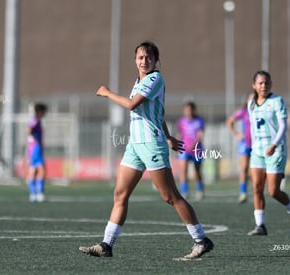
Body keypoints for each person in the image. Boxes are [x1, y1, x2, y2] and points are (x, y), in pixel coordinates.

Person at [79, 41, 214, 259]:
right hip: (135, 145)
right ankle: (106, 245)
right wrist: (169, 136)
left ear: (156, 60)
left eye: (149, 57)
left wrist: (107, 93)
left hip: (151, 144)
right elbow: (156, 115)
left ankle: (202, 240)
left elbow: (132, 105)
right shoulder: (138, 81)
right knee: (120, 194)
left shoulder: (155, 79)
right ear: (135, 60)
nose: (144, 61)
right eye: (141, 57)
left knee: (170, 196)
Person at [247, 70, 290, 236]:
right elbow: (252, 126)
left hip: (275, 150)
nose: (264, 86)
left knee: (273, 191)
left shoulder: (277, 101)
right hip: (257, 151)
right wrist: (253, 146)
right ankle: (260, 226)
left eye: (267, 83)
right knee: (256, 188)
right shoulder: (251, 103)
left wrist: (273, 144)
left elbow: (283, 126)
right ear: (254, 85)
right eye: (261, 83)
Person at [226, 93, 254, 204]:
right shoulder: (243, 112)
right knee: (244, 168)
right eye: (250, 98)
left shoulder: (261, 111)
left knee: (259, 169)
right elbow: (229, 122)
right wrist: (236, 134)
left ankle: (258, 190)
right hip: (245, 144)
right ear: (246, 101)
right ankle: (243, 193)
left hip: (258, 144)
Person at [177, 102, 205, 200]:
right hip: (184, 150)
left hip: (196, 150)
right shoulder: (181, 121)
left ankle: (200, 190)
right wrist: (177, 146)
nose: (188, 112)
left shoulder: (199, 120)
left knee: (197, 171)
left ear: (193, 110)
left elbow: (200, 135)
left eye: (190, 110)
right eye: (186, 110)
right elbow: (180, 134)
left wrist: (194, 145)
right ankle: (185, 192)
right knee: (183, 170)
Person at [27, 103, 48, 203]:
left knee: (33, 169)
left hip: (33, 148)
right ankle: (39, 194)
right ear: (40, 112)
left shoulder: (36, 120)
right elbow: (29, 130)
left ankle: (33, 194)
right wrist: (36, 140)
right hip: (35, 148)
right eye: (44, 112)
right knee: (41, 170)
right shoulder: (35, 120)